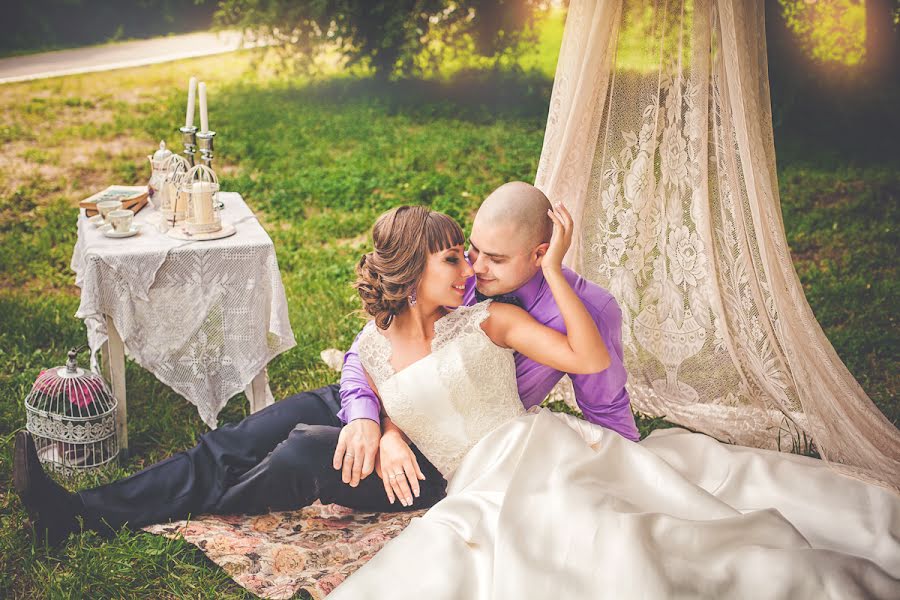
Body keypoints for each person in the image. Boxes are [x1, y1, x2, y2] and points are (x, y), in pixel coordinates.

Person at [324, 203, 900, 599]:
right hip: (469, 485)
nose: (471, 268)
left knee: (606, 533)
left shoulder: (488, 317)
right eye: (456, 257)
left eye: (471, 256)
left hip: (531, 448)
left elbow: (592, 361)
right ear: (410, 269)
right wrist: (385, 427)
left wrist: (553, 273)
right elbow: (381, 375)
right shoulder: (382, 340)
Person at [12, 182, 637, 545]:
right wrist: (375, 421)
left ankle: (193, 507)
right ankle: (78, 512)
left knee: (300, 451)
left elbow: (596, 385)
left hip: (441, 452)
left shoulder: (523, 310)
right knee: (231, 442)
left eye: (484, 259)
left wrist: (618, 462)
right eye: (464, 254)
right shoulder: (466, 282)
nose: (473, 268)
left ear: (536, 253)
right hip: (387, 406)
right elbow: (374, 352)